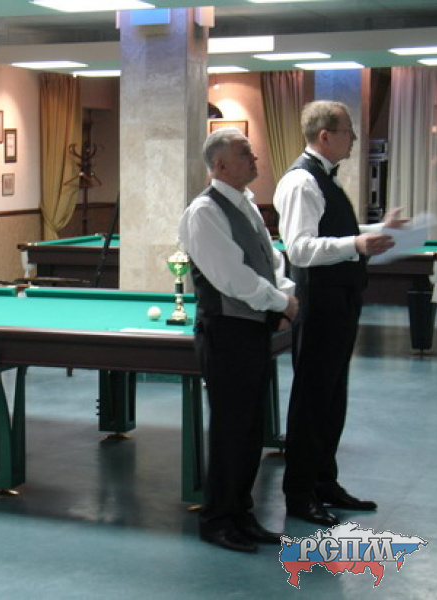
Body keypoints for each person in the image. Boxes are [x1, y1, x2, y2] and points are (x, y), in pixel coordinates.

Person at [273, 100, 403, 527]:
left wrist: (376, 232)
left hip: (340, 298)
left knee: (332, 395)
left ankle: (324, 482)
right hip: (318, 301)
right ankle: (299, 494)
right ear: (325, 135)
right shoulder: (301, 182)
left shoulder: (324, 177)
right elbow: (299, 249)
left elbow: (333, 233)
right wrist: (356, 245)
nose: (353, 138)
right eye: (348, 131)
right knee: (312, 398)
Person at [179, 127, 299, 553]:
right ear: (220, 165)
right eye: (245, 153)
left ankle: (241, 514)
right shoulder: (204, 212)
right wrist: (281, 304)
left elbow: (272, 259)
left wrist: (283, 296)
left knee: (250, 429)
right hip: (226, 332)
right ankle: (217, 520)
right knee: (230, 430)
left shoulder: (245, 202)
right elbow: (232, 278)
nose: (255, 158)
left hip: (252, 329)